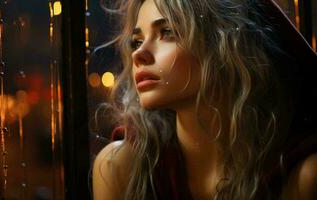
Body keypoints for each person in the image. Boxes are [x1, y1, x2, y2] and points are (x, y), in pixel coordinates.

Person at [92, 0, 317, 199]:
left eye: (167, 32)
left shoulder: (301, 176)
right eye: (137, 41)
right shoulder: (119, 167)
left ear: (226, 45)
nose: (138, 54)